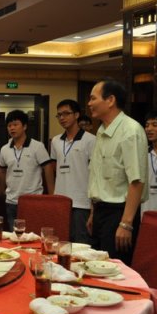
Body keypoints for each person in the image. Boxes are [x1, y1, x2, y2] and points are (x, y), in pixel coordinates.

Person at [87, 78, 148, 265]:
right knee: (96, 267)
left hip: (119, 214)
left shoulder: (130, 131)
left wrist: (126, 224)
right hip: (100, 211)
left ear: (110, 100)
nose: (89, 103)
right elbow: (98, 176)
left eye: (93, 98)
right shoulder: (101, 130)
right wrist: (93, 213)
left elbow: (136, 181)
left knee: (115, 270)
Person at [0, 110, 54, 230]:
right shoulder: (4, 149)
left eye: (15, 124)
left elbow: (48, 168)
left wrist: (52, 194)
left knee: (32, 234)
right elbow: (2, 171)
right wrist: (1, 189)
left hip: (33, 200)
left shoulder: (37, 146)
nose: (12, 128)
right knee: (14, 235)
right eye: (9, 125)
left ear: (25, 126)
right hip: (11, 201)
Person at [50, 99, 96, 243]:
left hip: (81, 202)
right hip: (60, 200)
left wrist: (93, 207)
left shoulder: (91, 140)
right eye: (59, 115)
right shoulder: (55, 141)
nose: (62, 118)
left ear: (76, 115)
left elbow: (95, 174)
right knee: (59, 242)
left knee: (80, 244)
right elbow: (53, 168)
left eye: (66, 114)